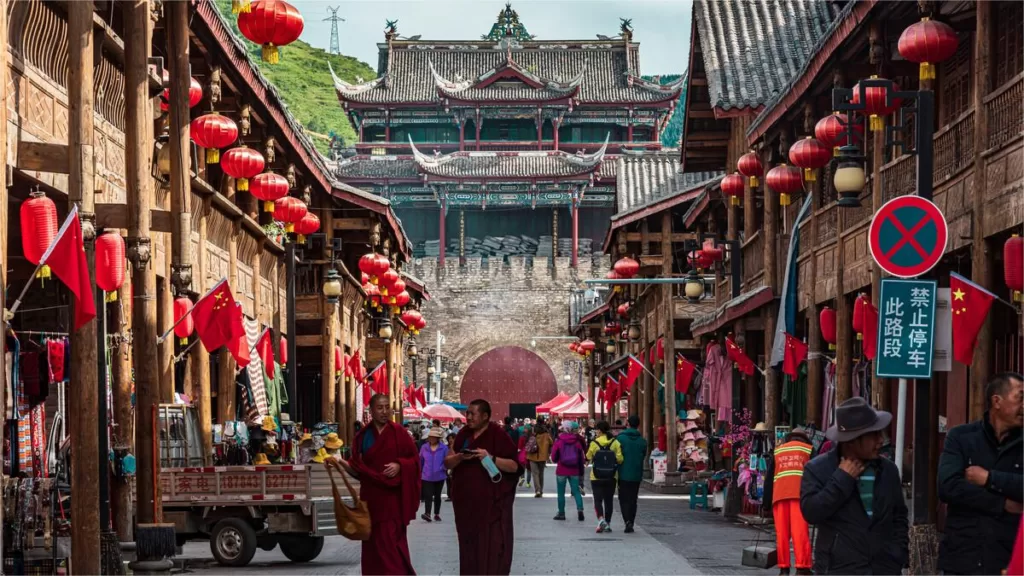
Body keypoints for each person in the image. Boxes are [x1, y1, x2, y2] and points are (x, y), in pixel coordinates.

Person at [800, 397, 907, 575]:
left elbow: (899, 516)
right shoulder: (818, 469)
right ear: (851, 440)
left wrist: (898, 554)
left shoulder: (888, 470)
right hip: (839, 569)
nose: (881, 440)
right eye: (873, 435)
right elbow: (811, 512)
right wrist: (841, 479)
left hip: (884, 569)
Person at [937, 372, 1023, 575]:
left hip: (1009, 557)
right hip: (963, 555)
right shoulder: (961, 437)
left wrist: (989, 478)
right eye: (1020, 397)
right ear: (997, 401)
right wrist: (1002, 504)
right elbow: (948, 486)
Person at [336, 394, 421, 575]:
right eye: (380, 408)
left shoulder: (399, 433)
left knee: (392, 544)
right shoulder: (363, 436)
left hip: (393, 500)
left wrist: (400, 465)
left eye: (387, 407)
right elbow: (359, 471)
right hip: (371, 499)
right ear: (371, 411)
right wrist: (341, 464)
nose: (385, 412)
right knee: (373, 545)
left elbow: (414, 461)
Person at [446, 399, 522, 575]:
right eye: (468, 413)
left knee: (493, 549)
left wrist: (490, 457)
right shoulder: (463, 435)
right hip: (466, 506)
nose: (469, 417)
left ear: (486, 416)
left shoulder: (498, 435)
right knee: (468, 549)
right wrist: (459, 458)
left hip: (492, 506)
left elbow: (515, 467)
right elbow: (447, 463)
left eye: (473, 413)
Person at [763, 428, 814, 575]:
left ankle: (784, 569)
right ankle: (802, 568)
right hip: (799, 496)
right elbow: (815, 475)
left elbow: (769, 479)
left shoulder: (779, 451)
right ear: (804, 439)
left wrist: (766, 504)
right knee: (800, 532)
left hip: (779, 496)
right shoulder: (809, 450)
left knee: (782, 534)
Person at [587, 421, 623, 533]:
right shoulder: (615, 442)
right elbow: (620, 459)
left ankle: (601, 520)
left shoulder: (594, 443)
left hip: (596, 476)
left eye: (597, 429)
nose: (596, 431)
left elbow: (588, 456)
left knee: (597, 500)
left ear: (600, 430)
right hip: (611, 476)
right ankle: (607, 523)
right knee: (609, 501)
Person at [616, 415, 647, 533]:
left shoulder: (620, 439)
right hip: (636, 474)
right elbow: (643, 455)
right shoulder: (642, 441)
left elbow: (617, 455)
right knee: (633, 499)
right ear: (638, 425)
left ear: (627, 424)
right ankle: (631, 521)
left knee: (623, 498)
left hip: (623, 473)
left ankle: (627, 521)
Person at [550, 421, 586, 522]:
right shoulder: (577, 441)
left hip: (561, 470)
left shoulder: (559, 441)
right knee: (576, 491)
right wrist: (581, 471)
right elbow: (581, 459)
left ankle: (561, 513)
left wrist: (558, 460)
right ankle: (580, 509)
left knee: (561, 493)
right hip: (574, 470)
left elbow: (553, 457)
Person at [420, 427, 449, 522]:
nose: (432, 439)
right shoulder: (424, 447)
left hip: (439, 476)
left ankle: (437, 513)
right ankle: (427, 513)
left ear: (438, 438)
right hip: (426, 476)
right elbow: (421, 460)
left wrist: (443, 468)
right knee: (428, 495)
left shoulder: (444, 448)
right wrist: (420, 471)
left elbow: (447, 461)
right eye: (430, 437)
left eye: (434, 437)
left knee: (437, 495)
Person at [526, 421, 552, 498]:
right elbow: (551, 442)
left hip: (532, 455)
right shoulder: (546, 432)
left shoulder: (532, 430)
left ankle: (537, 490)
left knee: (535, 474)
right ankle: (541, 490)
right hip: (543, 456)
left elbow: (527, 440)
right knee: (541, 474)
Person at [445, 433, 456, 501]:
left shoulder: (458, 447)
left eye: (452, 438)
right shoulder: (446, 447)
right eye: (449, 438)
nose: (450, 440)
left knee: (454, 481)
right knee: (448, 481)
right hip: (448, 466)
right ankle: (449, 495)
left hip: (455, 465)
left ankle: (454, 495)